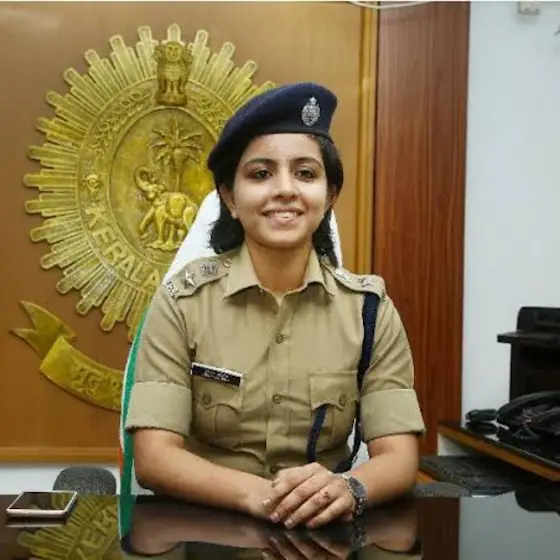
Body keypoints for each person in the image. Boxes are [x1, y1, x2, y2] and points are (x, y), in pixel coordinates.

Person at [124, 82, 425, 531]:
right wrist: (263, 497)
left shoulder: (369, 311)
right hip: (207, 533)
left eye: (305, 173)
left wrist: (350, 488)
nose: (285, 190)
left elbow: (399, 457)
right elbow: (154, 458)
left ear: (330, 195)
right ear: (230, 197)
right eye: (261, 174)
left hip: (325, 532)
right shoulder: (181, 303)